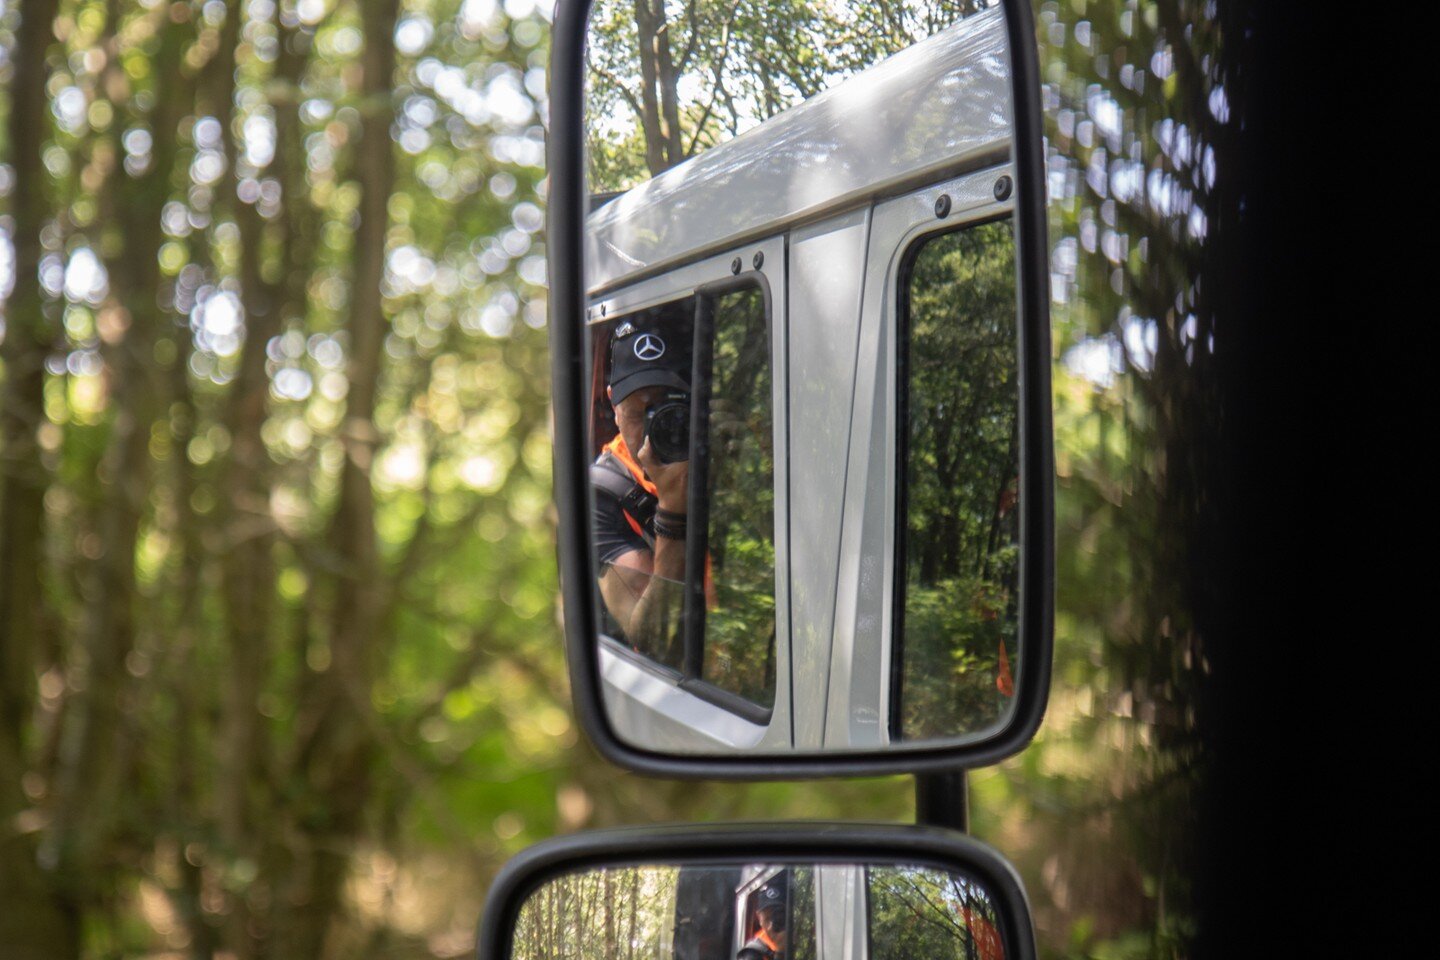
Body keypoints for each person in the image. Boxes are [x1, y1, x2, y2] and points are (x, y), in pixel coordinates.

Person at [592, 313, 692, 662]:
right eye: (639, 412)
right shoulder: (602, 495)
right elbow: (652, 638)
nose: (654, 428)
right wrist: (672, 509)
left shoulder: (714, 450)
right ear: (613, 405)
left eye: (667, 407)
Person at [736, 881, 788, 960]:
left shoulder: (799, 938)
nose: (771, 926)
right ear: (759, 918)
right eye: (767, 919)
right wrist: (780, 952)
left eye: (778, 918)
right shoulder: (751, 954)